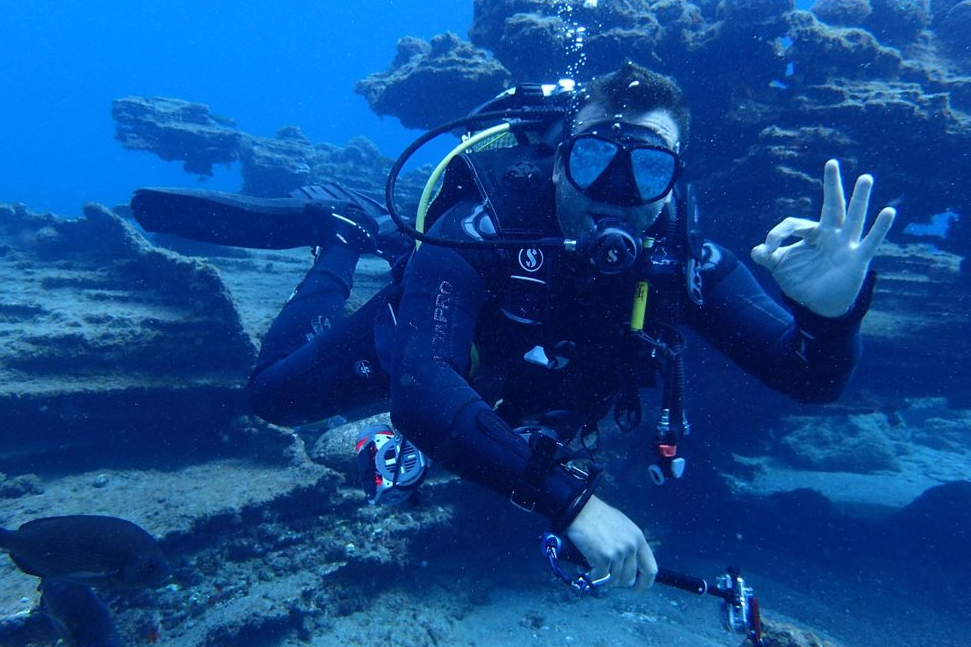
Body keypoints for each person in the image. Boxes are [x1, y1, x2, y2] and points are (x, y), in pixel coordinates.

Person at [244, 62, 895, 591]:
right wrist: (571, 503)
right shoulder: (482, 231)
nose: (613, 190)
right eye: (593, 160)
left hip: (522, 399)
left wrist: (831, 316)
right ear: (559, 161)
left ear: (673, 184)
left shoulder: (683, 260)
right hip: (451, 345)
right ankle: (340, 242)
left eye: (646, 168)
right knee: (272, 398)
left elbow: (808, 379)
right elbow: (419, 389)